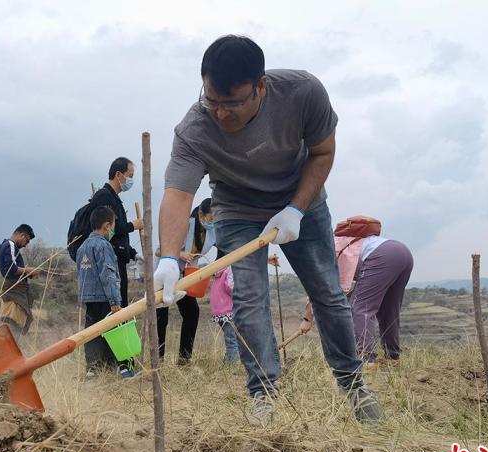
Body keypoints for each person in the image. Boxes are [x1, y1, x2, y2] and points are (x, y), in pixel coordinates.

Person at [154, 35, 381, 424]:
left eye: (233, 103)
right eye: (213, 101)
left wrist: (296, 208)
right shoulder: (194, 130)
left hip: (301, 201)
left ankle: (353, 385)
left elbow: (324, 151)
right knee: (248, 298)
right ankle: (264, 396)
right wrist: (169, 258)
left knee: (327, 291)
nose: (222, 114)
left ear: (261, 86)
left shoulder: (302, 93)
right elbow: (178, 194)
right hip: (238, 210)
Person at [299, 233, 413, 369]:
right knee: (388, 310)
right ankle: (392, 356)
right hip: (401, 252)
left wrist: (307, 319)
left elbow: (317, 288)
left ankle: (366, 360)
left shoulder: (323, 252)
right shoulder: (338, 242)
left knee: (360, 309)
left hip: (380, 256)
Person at [76, 207, 135, 378]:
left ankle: (92, 370)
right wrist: (115, 300)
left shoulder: (82, 247)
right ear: (107, 226)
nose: (114, 229)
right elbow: (108, 274)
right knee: (117, 330)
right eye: (114, 225)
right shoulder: (104, 246)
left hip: (88, 299)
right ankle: (125, 368)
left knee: (92, 333)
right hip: (105, 299)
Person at [156, 198, 215, 365]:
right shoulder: (184, 225)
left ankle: (184, 358)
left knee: (192, 313)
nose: (212, 223)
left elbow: (228, 247)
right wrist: (180, 253)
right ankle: (158, 360)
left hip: (185, 277)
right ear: (201, 214)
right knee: (161, 316)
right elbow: (159, 251)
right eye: (210, 219)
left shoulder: (212, 231)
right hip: (167, 274)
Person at [90, 157, 144, 308]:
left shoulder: (114, 198)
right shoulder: (104, 196)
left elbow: (117, 236)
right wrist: (133, 225)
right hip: (110, 260)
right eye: (130, 176)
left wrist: (132, 253)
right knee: (115, 309)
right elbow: (108, 230)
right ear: (119, 175)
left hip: (118, 258)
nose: (131, 180)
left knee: (122, 306)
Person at [0, 224, 37, 337]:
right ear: (22, 235)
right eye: (27, 241)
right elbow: (11, 268)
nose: (26, 245)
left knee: (14, 325)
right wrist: (28, 271)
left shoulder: (8, 246)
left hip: (14, 290)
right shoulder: (10, 245)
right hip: (13, 291)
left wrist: (27, 273)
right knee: (12, 325)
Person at [210, 249, 238, 364]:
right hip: (228, 310)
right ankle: (232, 365)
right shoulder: (230, 267)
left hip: (219, 311)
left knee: (229, 338)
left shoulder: (218, 268)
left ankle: (228, 362)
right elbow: (231, 287)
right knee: (233, 340)